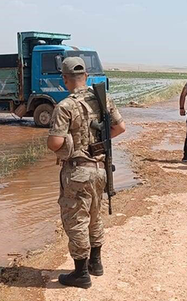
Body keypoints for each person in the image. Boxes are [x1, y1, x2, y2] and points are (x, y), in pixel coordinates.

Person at [47, 57, 126, 288]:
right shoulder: (103, 99)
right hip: (100, 169)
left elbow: (55, 142)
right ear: (87, 77)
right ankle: (96, 264)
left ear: (64, 79)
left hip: (77, 171)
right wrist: (98, 144)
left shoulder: (65, 106)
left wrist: (70, 145)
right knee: (94, 215)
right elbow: (120, 128)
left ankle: (81, 274)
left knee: (76, 219)